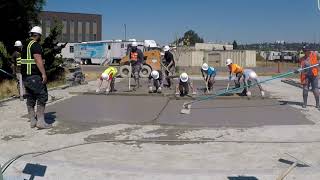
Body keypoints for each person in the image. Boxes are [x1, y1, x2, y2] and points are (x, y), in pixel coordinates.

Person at [21, 26, 50, 129]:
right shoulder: (35, 45)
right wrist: (44, 74)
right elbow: (38, 60)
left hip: (25, 77)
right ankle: (40, 122)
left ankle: (33, 120)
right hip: (34, 76)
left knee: (31, 97)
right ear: (38, 35)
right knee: (42, 96)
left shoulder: (25, 45)